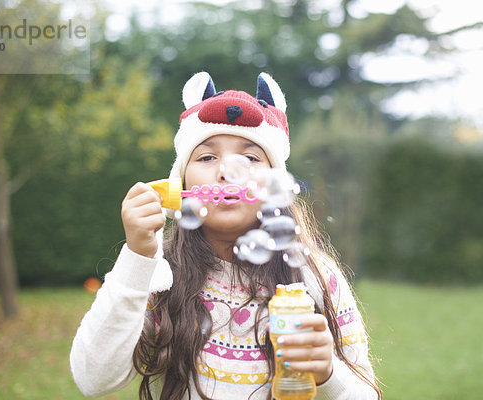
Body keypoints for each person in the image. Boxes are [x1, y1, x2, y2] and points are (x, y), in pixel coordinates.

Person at [70, 72, 381, 400]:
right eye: (206, 157)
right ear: (182, 184)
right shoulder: (160, 275)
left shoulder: (317, 279)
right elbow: (93, 379)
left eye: (250, 157)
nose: (226, 171)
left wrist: (328, 374)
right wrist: (138, 257)